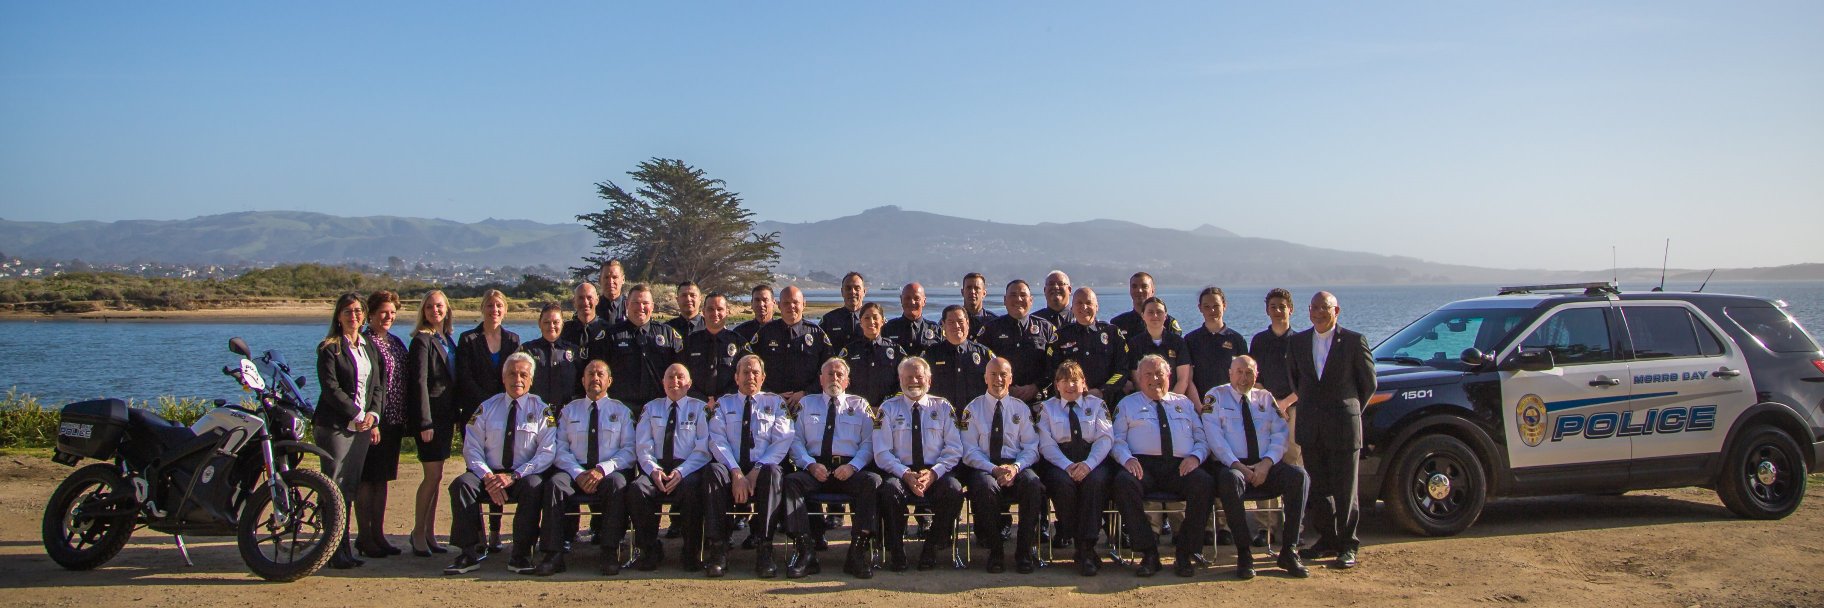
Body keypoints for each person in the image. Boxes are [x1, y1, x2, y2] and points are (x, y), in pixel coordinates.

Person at [442, 352, 557, 575]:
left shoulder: (542, 410)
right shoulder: (486, 408)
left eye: (524, 375)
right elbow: (471, 448)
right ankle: (468, 553)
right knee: (461, 484)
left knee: (535, 486)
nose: (518, 380)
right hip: (488, 475)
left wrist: (513, 476)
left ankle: (521, 554)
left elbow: (546, 453)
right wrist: (488, 477)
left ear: (531, 380)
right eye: (512, 374)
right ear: (503, 378)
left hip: (521, 476)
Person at [1200, 356, 1309, 579]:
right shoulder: (1215, 396)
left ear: (1256, 375)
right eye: (1239, 372)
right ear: (1230, 373)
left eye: (1249, 372)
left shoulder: (1266, 398)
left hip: (1264, 465)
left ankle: (1289, 551)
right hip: (1232, 466)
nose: (1243, 377)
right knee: (1230, 480)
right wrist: (1239, 465)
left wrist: (1266, 464)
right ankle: (1244, 553)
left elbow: (1280, 434)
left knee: (1299, 476)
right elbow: (1214, 438)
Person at [1289, 291, 1375, 570]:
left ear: (1336, 310)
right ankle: (1327, 539)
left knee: (1345, 489)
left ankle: (1348, 545)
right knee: (1319, 488)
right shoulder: (1298, 342)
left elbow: (1368, 383)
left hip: (1343, 425)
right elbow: (1296, 381)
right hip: (1311, 427)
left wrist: (1349, 409)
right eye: (1314, 307)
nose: (1318, 312)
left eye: (1324, 307)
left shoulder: (1352, 341)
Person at [1109, 354, 1215, 578]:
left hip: (1181, 466)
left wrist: (1196, 457)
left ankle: (1185, 552)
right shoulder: (1127, 404)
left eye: (1159, 374)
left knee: (1204, 483)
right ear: (1138, 378)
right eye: (1148, 374)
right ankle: (1148, 552)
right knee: (1122, 483)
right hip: (1142, 466)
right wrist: (1127, 459)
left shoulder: (1183, 403)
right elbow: (1116, 440)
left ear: (1169, 375)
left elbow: (1202, 438)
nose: (1154, 379)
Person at [782, 358, 882, 579]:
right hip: (815, 468)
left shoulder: (860, 405)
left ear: (847, 381)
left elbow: (869, 443)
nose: (834, 378)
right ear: (820, 379)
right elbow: (795, 441)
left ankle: (857, 551)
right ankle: (806, 551)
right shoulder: (806, 404)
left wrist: (853, 467)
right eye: (829, 374)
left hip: (848, 470)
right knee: (790, 482)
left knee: (872, 481)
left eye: (839, 375)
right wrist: (809, 464)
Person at [536, 359, 637, 576]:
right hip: (575, 471)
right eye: (590, 374)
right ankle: (553, 553)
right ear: (583, 380)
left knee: (617, 484)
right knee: (555, 484)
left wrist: (602, 469)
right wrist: (578, 472)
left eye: (600, 374)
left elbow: (629, 450)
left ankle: (610, 551)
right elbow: (559, 448)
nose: (595, 378)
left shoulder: (621, 411)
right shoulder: (569, 411)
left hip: (608, 472)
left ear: (609, 381)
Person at [873, 357, 966, 572]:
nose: (913, 380)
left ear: (929, 380)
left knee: (954, 490)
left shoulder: (943, 407)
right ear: (900, 379)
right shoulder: (888, 408)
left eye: (918, 376)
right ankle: (896, 551)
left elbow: (954, 449)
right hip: (901, 473)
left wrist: (933, 473)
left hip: (934, 473)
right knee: (888, 490)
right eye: (908, 377)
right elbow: (881, 452)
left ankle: (932, 547)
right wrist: (905, 474)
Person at [628, 364, 722, 573]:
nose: (675, 382)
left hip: (688, 468)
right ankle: (650, 549)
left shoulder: (700, 409)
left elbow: (703, 449)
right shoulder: (650, 408)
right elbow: (642, 446)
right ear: (663, 383)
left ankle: (690, 552)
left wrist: (681, 472)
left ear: (689, 384)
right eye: (670, 377)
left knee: (692, 491)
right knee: (637, 489)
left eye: (680, 377)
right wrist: (653, 470)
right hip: (656, 468)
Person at [706, 356, 794, 578]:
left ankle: (765, 547)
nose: (750, 377)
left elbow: (782, 440)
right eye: (745, 372)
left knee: (774, 473)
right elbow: (716, 440)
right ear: (736, 377)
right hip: (731, 468)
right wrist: (736, 472)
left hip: (762, 469)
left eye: (755, 372)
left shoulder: (775, 403)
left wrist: (756, 470)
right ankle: (719, 548)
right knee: (713, 472)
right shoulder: (723, 404)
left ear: (763, 377)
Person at [315, 292, 384, 570]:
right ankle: (331, 549)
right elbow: (330, 389)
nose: (353, 316)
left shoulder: (368, 347)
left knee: (349, 487)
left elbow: (378, 386)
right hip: (335, 426)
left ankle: (343, 547)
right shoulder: (329, 348)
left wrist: (373, 415)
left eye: (357, 311)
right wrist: (355, 414)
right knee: (333, 486)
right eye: (347, 311)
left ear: (364, 315)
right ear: (338, 316)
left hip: (363, 427)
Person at [958, 357, 1044, 574]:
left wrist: (1015, 468)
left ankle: (1024, 552)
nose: (998, 379)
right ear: (985, 377)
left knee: (1034, 485)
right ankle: (996, 552)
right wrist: (993, 469)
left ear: (1011, 378)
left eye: (1003, 374)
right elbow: (969, 450)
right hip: (986, 467)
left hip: (1016, 466)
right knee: (984, 487)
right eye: (993, 374)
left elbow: (1031, 447)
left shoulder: (1021, 409)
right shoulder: (973, 409)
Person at [1036, 361, 1118, 576]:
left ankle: (1085, 547)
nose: (1070, 385)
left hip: (1093, 460)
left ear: (1084, 383)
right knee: (1062, 485)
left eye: (1075, 380)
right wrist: (1068, 466)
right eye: (1064, 381)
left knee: (1096, 482)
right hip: (1060, 461)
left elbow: (1105, 438)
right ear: (1057, 385)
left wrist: (1088, 465)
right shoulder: (1047, 408)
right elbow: (1046, 444)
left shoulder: (1097, 405)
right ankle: (1083, 547)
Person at [456, 289, 523, 552]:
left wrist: (502, 402)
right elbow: (464, 377)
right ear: (482, 308)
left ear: (505, 310)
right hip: (476, 414)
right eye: (490, 306)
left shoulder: (512, 339)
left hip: (507, 415)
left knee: (501, 467)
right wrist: (489, 404)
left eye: (499, 306)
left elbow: (518, 375)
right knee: (478, 470)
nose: (494, 310)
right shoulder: (468, 339)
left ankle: (496, 532)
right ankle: (477, 534)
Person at [355, 290, 409, 559]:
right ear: (371, 314)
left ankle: (378, 534)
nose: (388, 317)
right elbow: (366, 386)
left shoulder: (396, 342)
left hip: (394, 420)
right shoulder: (364, 343)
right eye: (383, 312)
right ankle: (364, 537)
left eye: (392, 313)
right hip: (373, 420)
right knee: (367, 479)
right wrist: (372, 419)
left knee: (383, 479)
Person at [408, 289, 459, 557]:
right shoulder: (422, 341)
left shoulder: (447, 339)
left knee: (437, 476)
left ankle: (429, 532)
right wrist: (424, 422)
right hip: (430, 419)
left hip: (446, 416)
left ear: (447, 309)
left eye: (439, 306)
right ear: (423, 311)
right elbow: (419, 383)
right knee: (432, 476)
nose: (434, 311)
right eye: (429, 307)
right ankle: (417, 532)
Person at [976, 280, 1057, 404]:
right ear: (1004, 300)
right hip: (1000, 402)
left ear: (1031, 300)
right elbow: (979, 365)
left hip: (1039, 403)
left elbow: (1056, 365)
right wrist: (1004, 388)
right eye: (1013, 295)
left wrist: (1036, 387)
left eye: (1023, 295)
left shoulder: (1046, 329)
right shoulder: (990, 330)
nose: (1018, 299)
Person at [746, 285, 829, 405]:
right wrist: (770, 394)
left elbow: (828, 370)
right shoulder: (764, 334)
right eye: (786, 303)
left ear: (804, 304)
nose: (791, 306)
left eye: (795, 302)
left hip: (809, 403)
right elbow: (751, 369)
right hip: (770, 403)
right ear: (779, 305)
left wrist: (806, 393)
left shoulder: (817, 334)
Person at [604, 284, 684, 408]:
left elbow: (680, 370)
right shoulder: (611, 335)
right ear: (627, 305)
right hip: (622, 407)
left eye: (645, 303)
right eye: (636, 302)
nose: (641, 307)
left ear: (652, 306)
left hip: (659, 407)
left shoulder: (667, 334)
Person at [1250, 288, 1300, 465]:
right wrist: (1272, 404)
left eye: (1282, 307)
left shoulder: (1300, 342)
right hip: (1265, 406)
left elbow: (1306, 381)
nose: (1278, 311)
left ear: (1290, 310)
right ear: (1267, 310)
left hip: (1293, 408)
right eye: (1273, 307)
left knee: (1292, 455)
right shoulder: (1259, 341)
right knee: (1266, 452)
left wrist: (1285, 404)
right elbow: (1254, 378)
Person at [1053, 287, 1128, 404]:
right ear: (1072, 308)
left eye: (1089, 303)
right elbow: (1053, 370)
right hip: (1072, 402)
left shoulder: (1112, 333)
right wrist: (1074, 390)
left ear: (1097, 307)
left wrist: (1102, 390)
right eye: (1079, 303)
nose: (1084, 307)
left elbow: (1122, 370)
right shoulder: (1061, 336)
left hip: (1107, 401)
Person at [1184, 286, 1249, 400]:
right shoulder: (1190, 340)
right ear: (1200, 308)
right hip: (1199, 403)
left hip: (1231, 403)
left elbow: (1245, 376)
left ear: (1224, 306)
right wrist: (1199, 407)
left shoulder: (1237, 340)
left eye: (1216, 306)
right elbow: (1187, 378)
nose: (1212, 310)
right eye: (1207, 307)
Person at [837, 302, 905, 408]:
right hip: (856, 409)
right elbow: (840, 379)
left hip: (888, 408)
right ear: (860, 322)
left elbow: (904, 379)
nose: (871, 322)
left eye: (875, 317)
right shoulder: (850, 351)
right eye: (867, 318)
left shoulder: (895, 350)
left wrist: (892, 402)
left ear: (882, 321)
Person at [926, 304, 994, 408]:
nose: (957, 326)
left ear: (967, 323)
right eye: (951, 322)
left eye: (960, 322)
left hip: (976, 417)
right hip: (940, 417)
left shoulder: (984, 354)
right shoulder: (930, 355)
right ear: (943, 325)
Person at [1124, 297, 1193, 397]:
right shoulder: (1135, 344)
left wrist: (1170, 402)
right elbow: (1137, 379)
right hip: (1144, 400)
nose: (1155, 315)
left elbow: (1183, 379)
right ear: (1143, 315)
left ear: (1165, 316)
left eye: (1159, 312)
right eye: (1150, 312)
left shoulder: (1178, 342)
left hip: (1174, 400)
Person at [683, 292, 744, 401]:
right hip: (694, 402)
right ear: (703, 312)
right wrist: (703, 399)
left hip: (730, 403)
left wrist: (719, 399)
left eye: (720, 309)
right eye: (710, 309)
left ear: (727, 312)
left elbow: (745, 375)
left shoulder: (739, 342)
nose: (715, 313)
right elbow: (682, 374)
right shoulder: (690, 342)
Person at [523, 303, 582, 408]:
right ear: (539, 324)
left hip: (567, 413)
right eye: (546, 322)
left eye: (556, 322)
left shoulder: (574, 351)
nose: (551, 326)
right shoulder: (528, 350)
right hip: (536, 412)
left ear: (562, 324)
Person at [1109, 272, 1182, 340]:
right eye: (1134, 286)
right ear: (1130, 290)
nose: (1139, 290)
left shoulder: (1168, 322)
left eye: (1144, 286)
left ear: (1152, 290)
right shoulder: (1118, 323)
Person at [881, 282, 941, 357]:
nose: (912, 302)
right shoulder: (888, 328)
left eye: (917, 298)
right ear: (901, 300)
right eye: (907, 298)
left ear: (924, 301)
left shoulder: (935, 329)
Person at [561, 282, 612, 365]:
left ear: (597, 300)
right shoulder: (563, 331)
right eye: (581, 298)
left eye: (589, 297)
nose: (585, 302)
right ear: (574, 301)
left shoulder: (609, 331)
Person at [820, 272, 867, 349]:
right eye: (848, 288)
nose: (852, 292)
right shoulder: (828, 320)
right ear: (842, 292)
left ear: (864, 292)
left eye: (857, 288)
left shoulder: (874, 320)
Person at [960, 272, 998, 337]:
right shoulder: (952, 321)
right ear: (962, 292)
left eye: (976, 288)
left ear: (984, 293)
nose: (972, 291)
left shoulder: (994, 322)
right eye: (969, 288)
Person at [594, 260, 629, 326]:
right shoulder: (592, 307)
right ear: (600, 280)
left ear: (623, 279)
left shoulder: (631, 307)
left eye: (614, 277)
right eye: (606, 277)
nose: (610, 282)